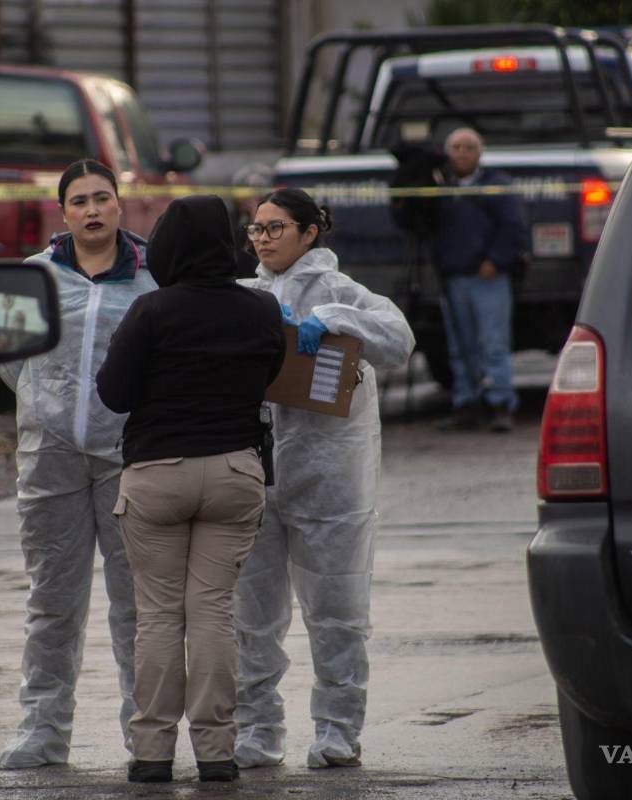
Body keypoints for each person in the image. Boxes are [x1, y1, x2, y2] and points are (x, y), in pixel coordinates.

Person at [96, 195, 286, 784]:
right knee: (213, 611)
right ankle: (216, 752)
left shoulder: (152, 311)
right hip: (234, 473)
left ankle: (153, 751)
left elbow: (114, 394)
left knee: (158, 615)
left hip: (158, 474)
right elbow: (271, 374)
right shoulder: (261, 309)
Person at [234, 188, 415, 770]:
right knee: (251, 616)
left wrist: (334, 320)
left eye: (275, 228)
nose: (262, 239)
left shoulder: (341, 291)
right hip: (256, 475)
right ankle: (257, 730)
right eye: (256, 229)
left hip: (331, 476)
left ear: (309, 232)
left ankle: (338, 729)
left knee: (337, 611)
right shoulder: (243, 295)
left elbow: (398, 340)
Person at [0, 159, 156, 769]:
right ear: (62, 213)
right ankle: (42, 728)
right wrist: (47, 401)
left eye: (102, 198)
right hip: (49, 457)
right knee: (51, 599)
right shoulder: (34, 276)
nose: (92, 210)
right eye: (80, 201)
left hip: (127, 457)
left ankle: (146, 730)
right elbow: (10, 356)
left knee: (136, 602)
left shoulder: (150, 279)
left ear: (120, 205)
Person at [431, 126, 529, 432]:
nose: (462, 153)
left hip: (489, 279)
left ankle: (501, 404)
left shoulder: (497, 186)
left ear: (480, 152)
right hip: (454, 279)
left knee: (493, 344)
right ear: (447, 152)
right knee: (460, 347)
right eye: (456, 147)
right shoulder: (438, 188)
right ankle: (466, 403)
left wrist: (496, 260)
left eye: (469, 147)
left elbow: (514, 227)